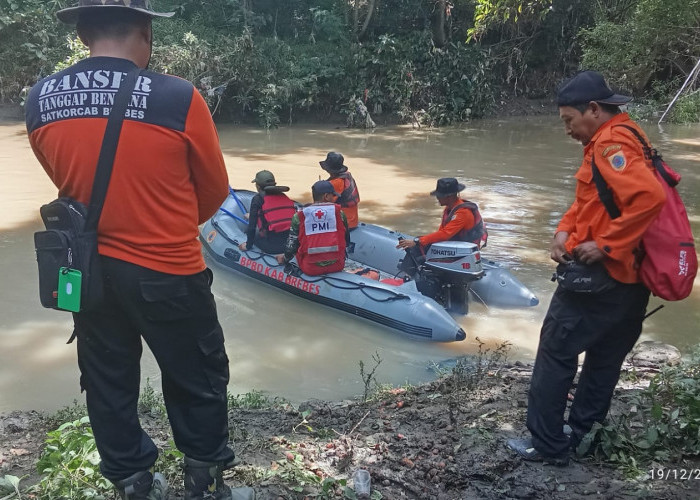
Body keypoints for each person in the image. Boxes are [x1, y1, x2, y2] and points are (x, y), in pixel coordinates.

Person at [24, 2, 255, 499]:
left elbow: (65, 183)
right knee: (197, 373)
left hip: (83, 271)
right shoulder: (177, 97)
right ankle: (203, 480)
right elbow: (214, 191)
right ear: (146, 32)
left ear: (84, 35)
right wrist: (160, 222)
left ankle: (132, 482)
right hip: (168, 269)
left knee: (107, 379)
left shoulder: (40, 99)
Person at [506, 70, 666, 465]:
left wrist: (607, 244)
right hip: (631, 279)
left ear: (593, 110)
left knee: (556, 354)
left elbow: (649, 197)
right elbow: (592, 201)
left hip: (600, 279)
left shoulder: (610, 143)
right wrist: (563, 231)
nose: (567, 130)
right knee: (603, 361)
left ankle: (547, 445)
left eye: (568, 120)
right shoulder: (629, 135)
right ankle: (583, 438)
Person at [396, 177, 487, 254]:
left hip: (463, 251)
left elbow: (445, 234)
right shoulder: (450, 209)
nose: (437, 198)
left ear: (449, 197)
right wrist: (421, 241)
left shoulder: (462, 213)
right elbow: (441, 232)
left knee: (419, 246)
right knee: (421, 246)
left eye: (439, 195)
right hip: (454, 245)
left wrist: (418, 241)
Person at [276, 180, 350, 275]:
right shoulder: (339, 213)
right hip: (337, 265)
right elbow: (346, 240)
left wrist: (284, 258)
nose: (334, 198)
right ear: (326, 196)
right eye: (333, 195)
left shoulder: (300, 215)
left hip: (310, 268)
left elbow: (291, 246)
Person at [239, 170, 295, 255]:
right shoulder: (283, 196)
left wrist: (247, 245)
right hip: (289, 245)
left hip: (271, 246)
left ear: (257, 186)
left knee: (249, 231)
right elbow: (275, 214)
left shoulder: (257, 199)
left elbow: (252, 227)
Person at [320, 151, 361, 229]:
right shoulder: (347, 175)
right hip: (352, 220)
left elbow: (324, 203)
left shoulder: (336, 183)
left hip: (345, 223)